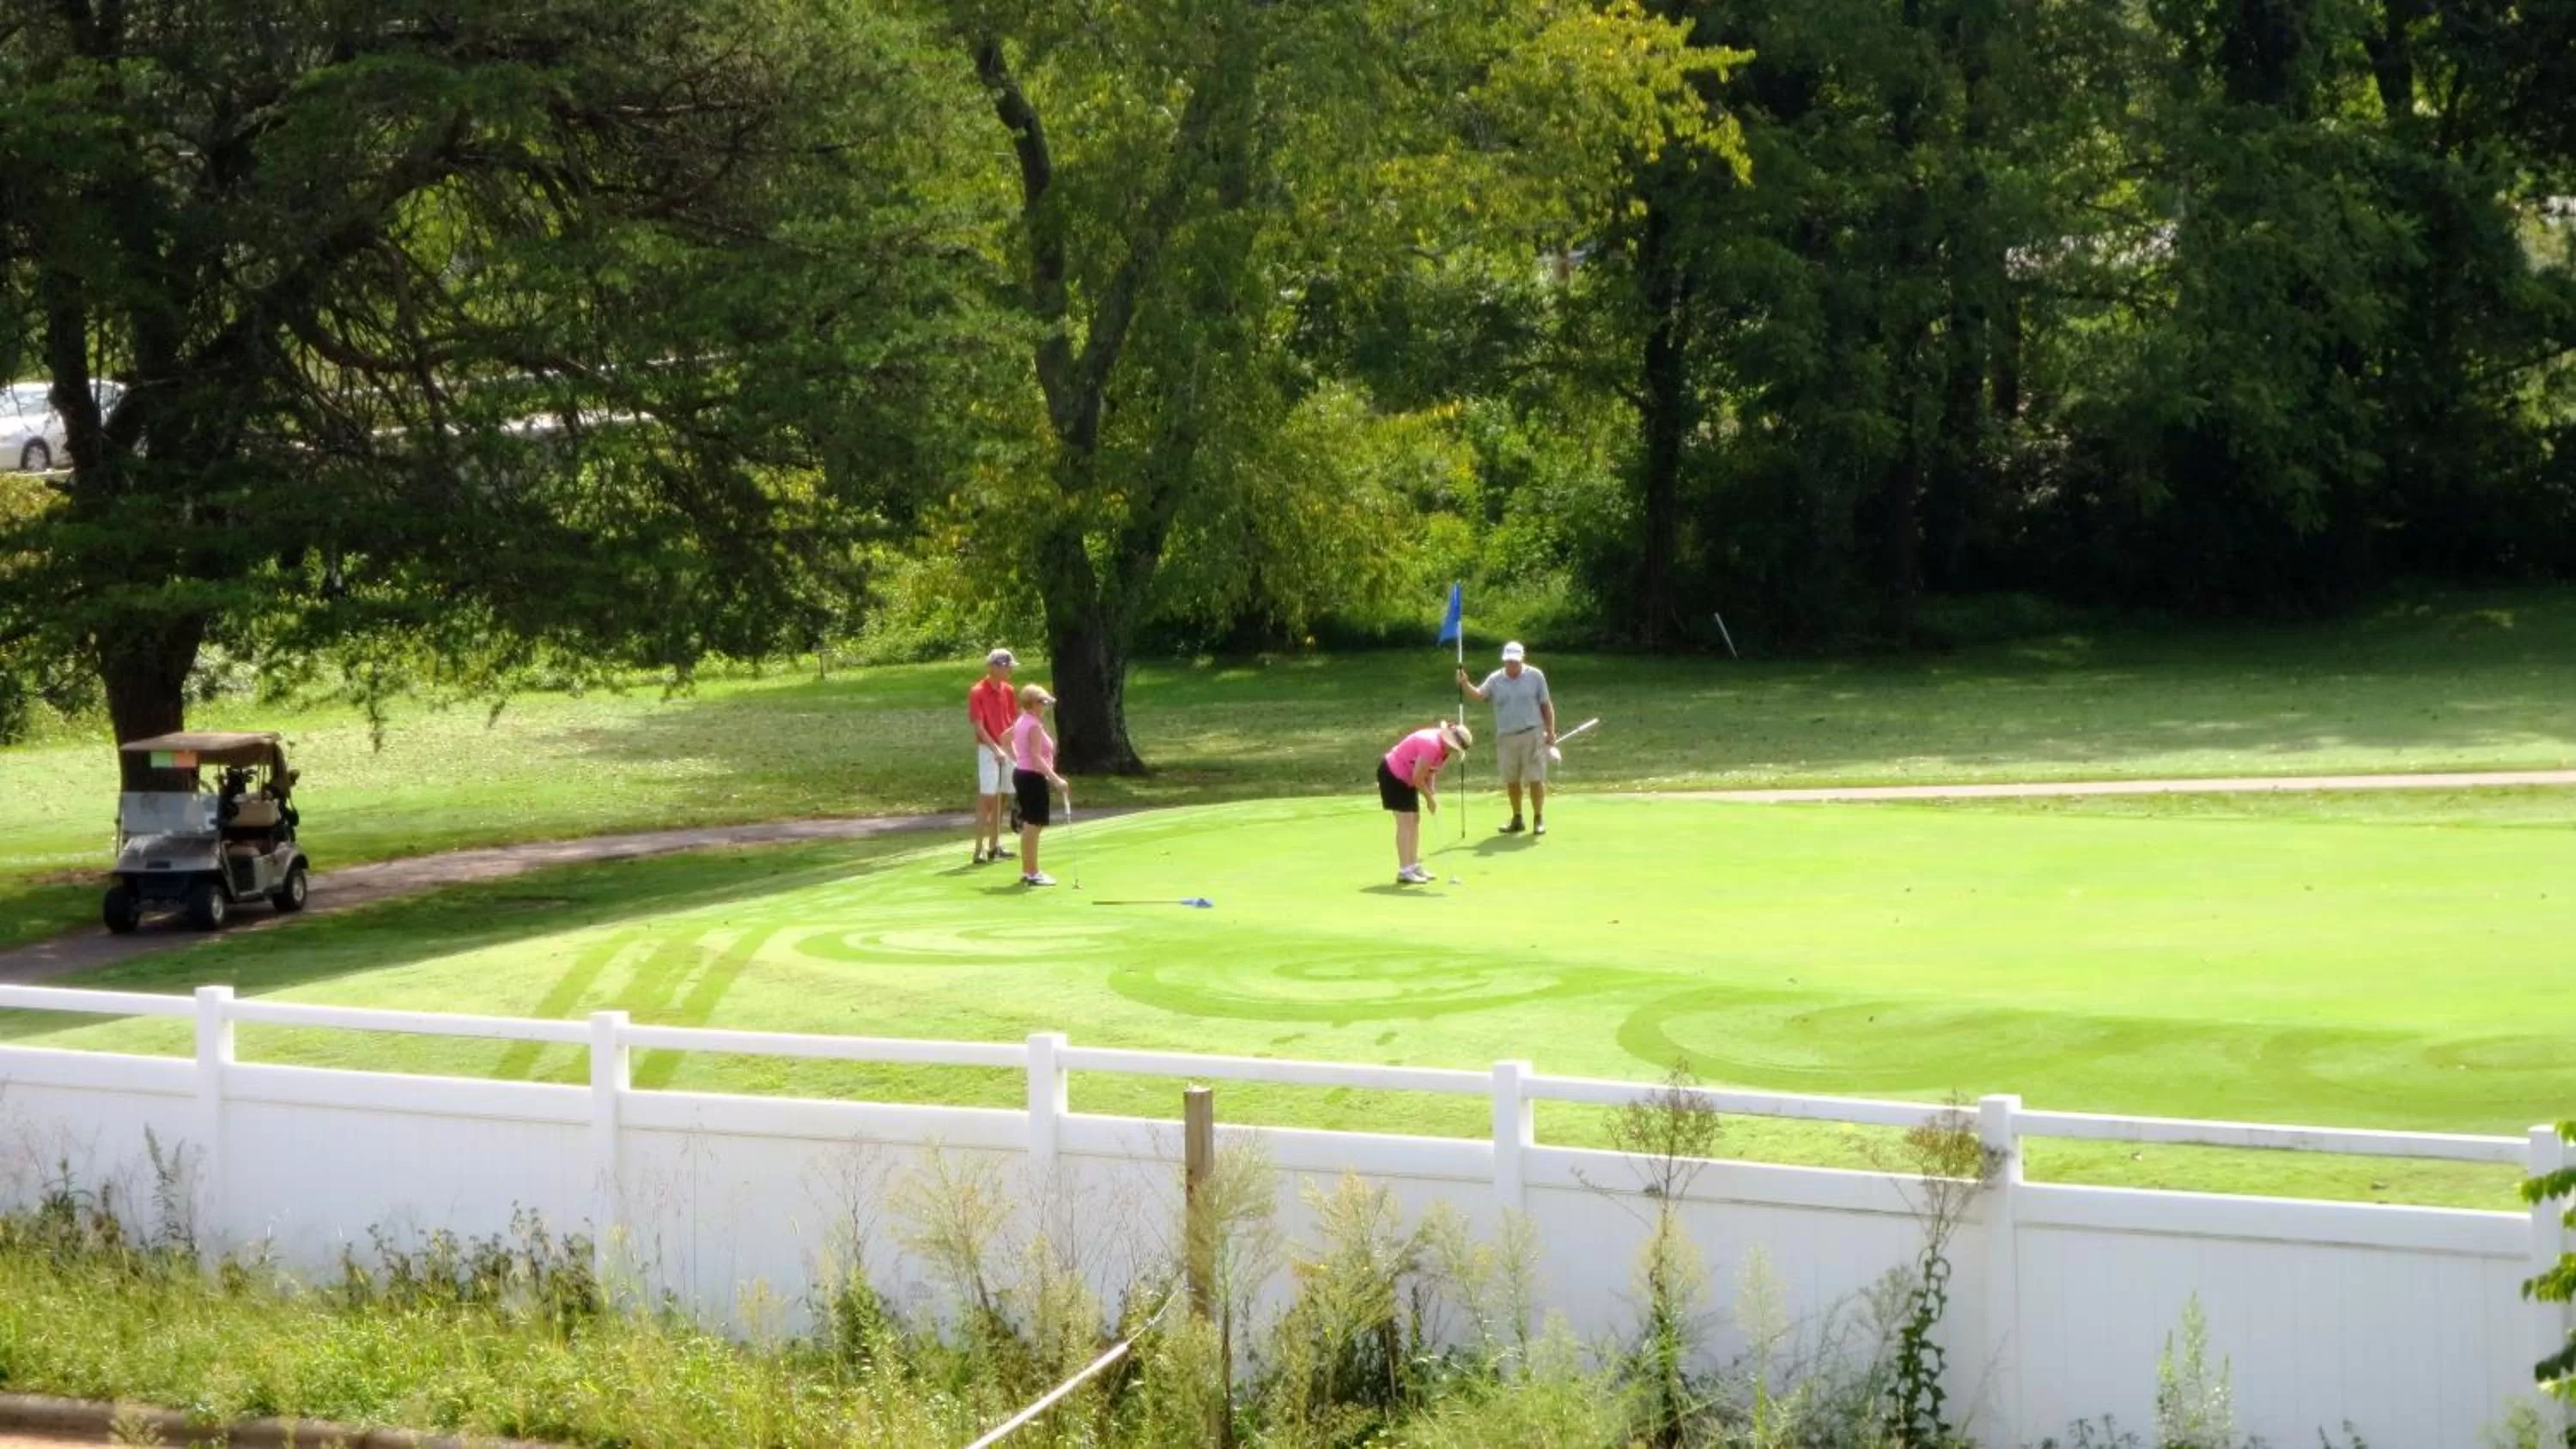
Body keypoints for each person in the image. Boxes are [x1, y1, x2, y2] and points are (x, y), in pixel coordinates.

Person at [1456, 640, 1556, 836]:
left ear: (1522, 659)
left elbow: (1546, 705)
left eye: (1515, 661)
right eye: (1509, 661)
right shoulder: (1495, 679)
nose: (1512, 665)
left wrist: (1550, 731)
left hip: (1532, 733)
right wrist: (1465, 684)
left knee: (1535, 778)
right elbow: (1479, 695)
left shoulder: (1535, 676)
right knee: (1511, 780)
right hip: (1506, 736)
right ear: (1504, 660)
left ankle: (1538, 818)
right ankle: (1517, 818)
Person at [1377, 719, 1472, 885]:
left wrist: (1432, 793)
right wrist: (1429, 798)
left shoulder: (1444, 750)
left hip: (1408, 778)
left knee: (1414, 820)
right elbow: (1418, 777)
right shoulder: (1432, 744)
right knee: (1405, 821)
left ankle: (1413, 865)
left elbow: (1430, 771)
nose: (1454, 752)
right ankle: (1405, 870)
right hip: (1393, 775)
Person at [1010, 682, 1071, 888]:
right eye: (1043, 702)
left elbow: (1006, 739)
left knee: (1031, 824)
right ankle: (1032, 872)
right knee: (1033, 824)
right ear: (1034, 704)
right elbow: (1037, 758)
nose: (1046, 706)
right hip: (1032, 777)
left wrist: (1017, 758)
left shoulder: (1024, 720)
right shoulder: (1033, 725)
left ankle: (1029, 870)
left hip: (1023, 774)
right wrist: (1057, 780)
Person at [968, 649, 1019, 864]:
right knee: (987, 797)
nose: (1010, 670)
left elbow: (1012, 721)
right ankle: (978, 849)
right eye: (1007, 666)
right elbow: (979, 727)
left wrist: (1011, 748)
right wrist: (995, 748)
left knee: (1004, 795)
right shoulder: (978, 691)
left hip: (1006, 747)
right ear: (995, 667)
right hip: (988, 749)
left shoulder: (1008, 690)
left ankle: (994, 846)